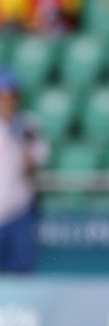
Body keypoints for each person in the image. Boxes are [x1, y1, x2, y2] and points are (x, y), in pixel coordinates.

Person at [0, 68, 48, 272]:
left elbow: (35, 162)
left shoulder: (26, 124)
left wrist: (19, 138)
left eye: (10, 95)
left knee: (20, 272)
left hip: (18, 210)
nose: (7, 101)